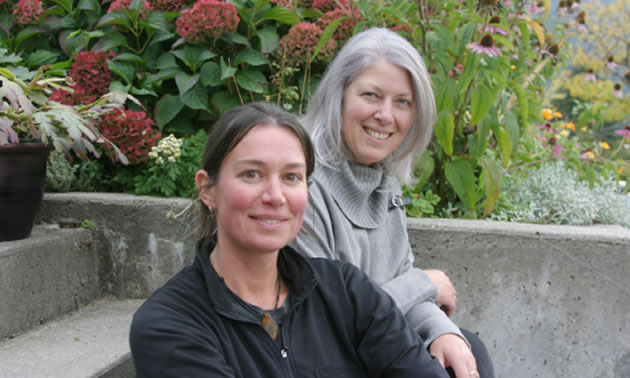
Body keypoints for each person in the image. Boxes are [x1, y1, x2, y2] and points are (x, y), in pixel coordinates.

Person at [129, 102, 448, 377]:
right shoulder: (168, 325)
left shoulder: (345, 290)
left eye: (291, 177)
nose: (275, 196)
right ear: (208, 189)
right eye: (251, 174)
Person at [294, 28, 494, 378]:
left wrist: (442, 331)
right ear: (338, 96)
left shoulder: (382, 184)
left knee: (466, 350)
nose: (386, 115)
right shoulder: (300, 186)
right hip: (323, 359)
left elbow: (399, 276)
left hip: (373, 340)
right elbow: (331, 320)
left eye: (402, 102)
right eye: (371, 95)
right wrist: (425, 283)